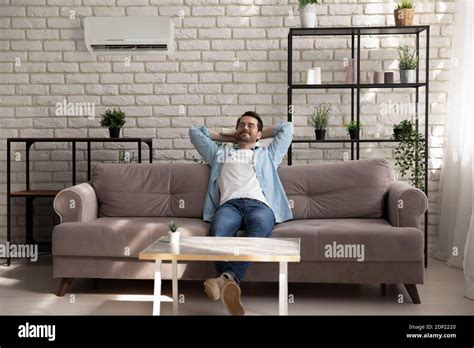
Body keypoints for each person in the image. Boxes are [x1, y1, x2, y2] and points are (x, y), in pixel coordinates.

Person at [189, 111, 294, 315]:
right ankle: (229, 283)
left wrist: (259, 134)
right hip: (229, 205)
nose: (245, 128)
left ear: (259, 134)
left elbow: (287, 128)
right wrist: (228, 136)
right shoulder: (219, 153)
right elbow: (195, 132)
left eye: (251, 126)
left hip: (260, 206)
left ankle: (224, 280)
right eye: (241, 125)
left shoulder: (268, 154)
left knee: (258, 233)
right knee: (217, 235)